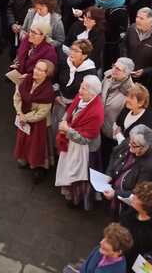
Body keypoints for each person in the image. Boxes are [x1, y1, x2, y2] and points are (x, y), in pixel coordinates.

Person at [55, 75, 104, 209]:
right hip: (72, 142)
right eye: (81, 87)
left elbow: (85, 139)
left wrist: (67, 130)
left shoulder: (96, 113)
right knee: (69, 166)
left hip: (85, 150)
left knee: (79, 176)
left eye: (83, 88)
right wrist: (64, 120)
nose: (79, 91)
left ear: (93, 93)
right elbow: (70, 111)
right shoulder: (82, 97)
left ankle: (77, 199)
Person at [13, 58, 56, 182]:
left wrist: (25, 117)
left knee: (38, 146)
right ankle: (25, 158)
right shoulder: (26, 81)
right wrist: (20, 112)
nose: (36, 71)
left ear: (47, 74)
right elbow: (17, 97)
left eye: (41, 70)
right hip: (23, 117)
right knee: (24, 140)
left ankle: (39, 167)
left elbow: (42, 113)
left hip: (39, 124)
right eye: (36, 68)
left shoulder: (48, 91)